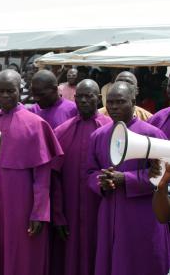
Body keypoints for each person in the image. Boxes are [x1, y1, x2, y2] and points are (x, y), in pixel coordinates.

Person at [0, 70, 63, 275]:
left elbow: (42, 177)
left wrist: (39, 213)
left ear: (20, 90)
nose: (6, 96)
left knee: (21, 258)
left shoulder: (36, 125)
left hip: (22, 205)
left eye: (11, 91)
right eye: (1, 91)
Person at [86, 82, 170, 275]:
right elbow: (89, 172)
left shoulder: (152, 134)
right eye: (111, 102)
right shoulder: (98, 135)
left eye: (120, 102)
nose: (114, 107)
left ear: (133, 102)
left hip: (143, 212)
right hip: (109, 211)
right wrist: (102, 180)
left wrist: (126, 178)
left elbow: (162, 173)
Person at [50, 80, 111, 275]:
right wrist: (58, 215)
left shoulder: (112, 129)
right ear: (74, 99)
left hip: (101, 208)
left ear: (98, 98)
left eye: (89, 96)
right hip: (70, 211)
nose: (84, 100)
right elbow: (53, 178)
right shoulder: (61, 132)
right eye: (80, 97)